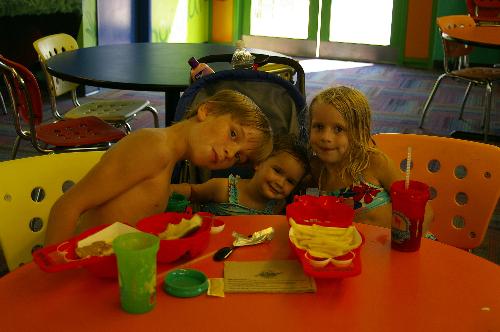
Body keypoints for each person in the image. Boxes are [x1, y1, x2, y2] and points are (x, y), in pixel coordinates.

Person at [46, 89, 273, 245]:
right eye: (233, 134)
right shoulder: (154, 147)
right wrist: (54, 285)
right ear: (207, 111)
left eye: (238, 157)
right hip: (88, 269)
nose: (230, 154)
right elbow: (68, 206)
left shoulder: (167, 161)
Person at [307, 86, 433, 231]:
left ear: (359, 131)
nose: (326, 137)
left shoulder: (373, 162)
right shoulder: (316, 169)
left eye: (338, 129)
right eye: (319, 127)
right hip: (353, 249)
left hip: (404, 246)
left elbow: (426, 212)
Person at [171, 134, 310, 215]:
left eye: (290, 181)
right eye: (277, 171)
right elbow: (191, 191)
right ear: (259, 163)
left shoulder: (278, 205)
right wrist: (165, 191)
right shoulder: (223, 188)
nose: (280, 183)